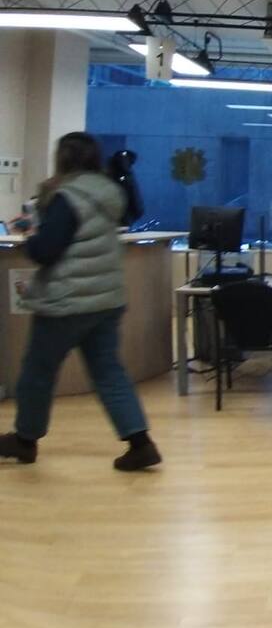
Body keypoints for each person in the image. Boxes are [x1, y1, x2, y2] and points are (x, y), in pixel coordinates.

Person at [0, 132, 161, 471]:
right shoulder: (110, 192)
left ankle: (25, 440)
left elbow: (46, 251)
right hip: (106, 300)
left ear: (63, 158)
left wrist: (30, 236)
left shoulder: (67, 196)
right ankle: (140, 443)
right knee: (109, 372)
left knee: (37, 372)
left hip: (66, 301)